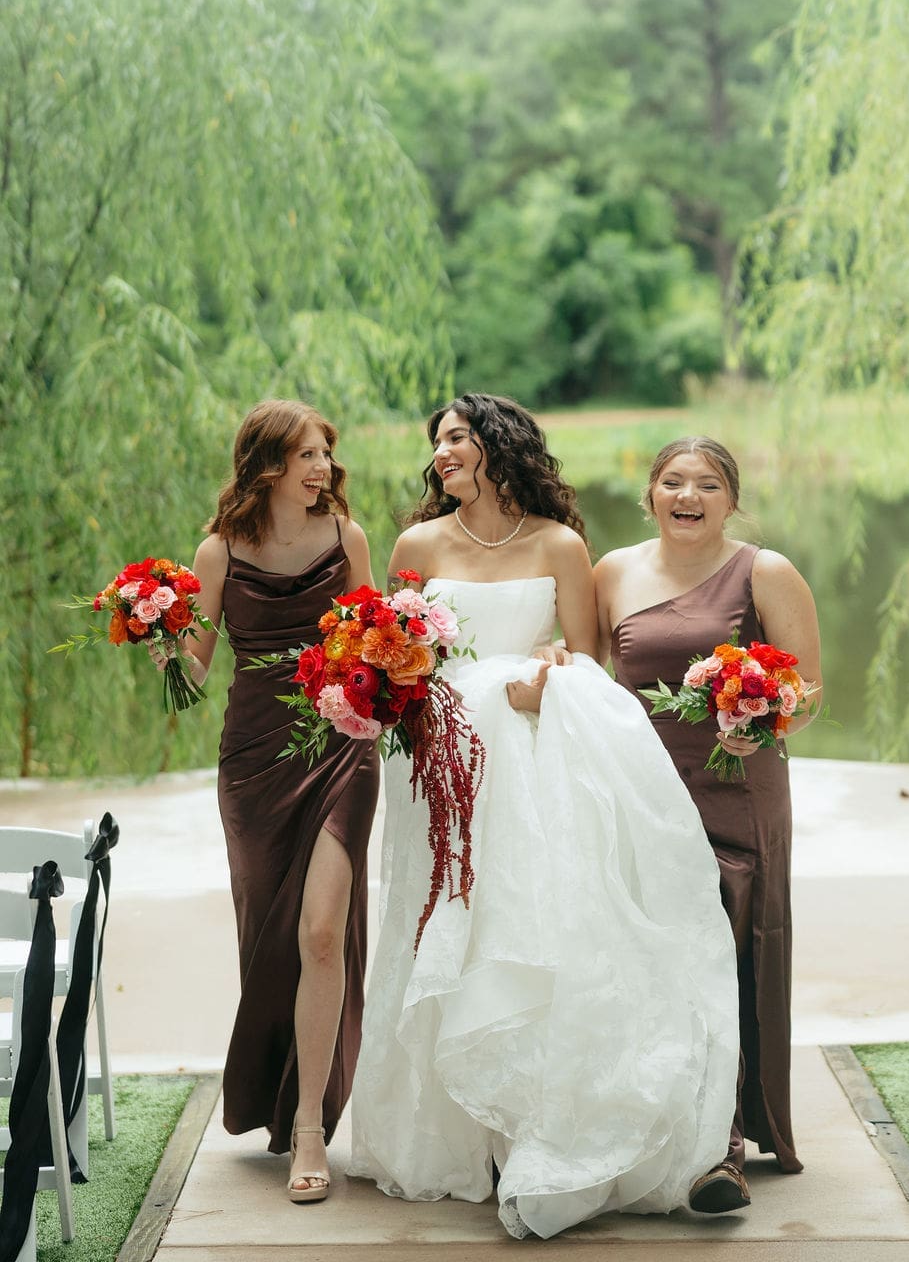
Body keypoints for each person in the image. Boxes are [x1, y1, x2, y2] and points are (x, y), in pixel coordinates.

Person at [348, 394, 740, 1241]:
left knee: (527, 922)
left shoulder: (560, 544)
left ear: (498, 445)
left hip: (528, 756)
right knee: (441, 916)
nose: (442, 451)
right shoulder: (416, 545)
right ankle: (450, 1137)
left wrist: (547, 672)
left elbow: (585, 653)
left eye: (457, 437)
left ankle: (533, 1116)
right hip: (439, 762)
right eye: (438, 441)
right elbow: (392, 652)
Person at [157, 399, 380, 1201]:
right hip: (254, 758)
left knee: (323, 931)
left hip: (342, 743)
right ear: (266, 466)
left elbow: (380, 645)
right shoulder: (218, 551)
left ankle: (311, 1125)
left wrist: (387, 686)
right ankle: (270, 1092)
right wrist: (158, 630)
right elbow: (197, 664)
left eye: (325, 452)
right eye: (306, 455)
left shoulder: (347, 540)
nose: (322, 467)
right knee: (269, 936)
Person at [598, 436, 822, 1198]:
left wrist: (758, 717)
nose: (687, 496)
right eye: (672, 482)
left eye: (706, 484)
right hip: (643, 789)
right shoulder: (613, 572)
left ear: (731, 499)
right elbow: (586, 681)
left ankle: (721, 1145)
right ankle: (650, 1125)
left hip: (738, 786)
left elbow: (808, 690)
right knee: (652, 958)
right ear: (650, 494)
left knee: (726, 952)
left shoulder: (767, 571)